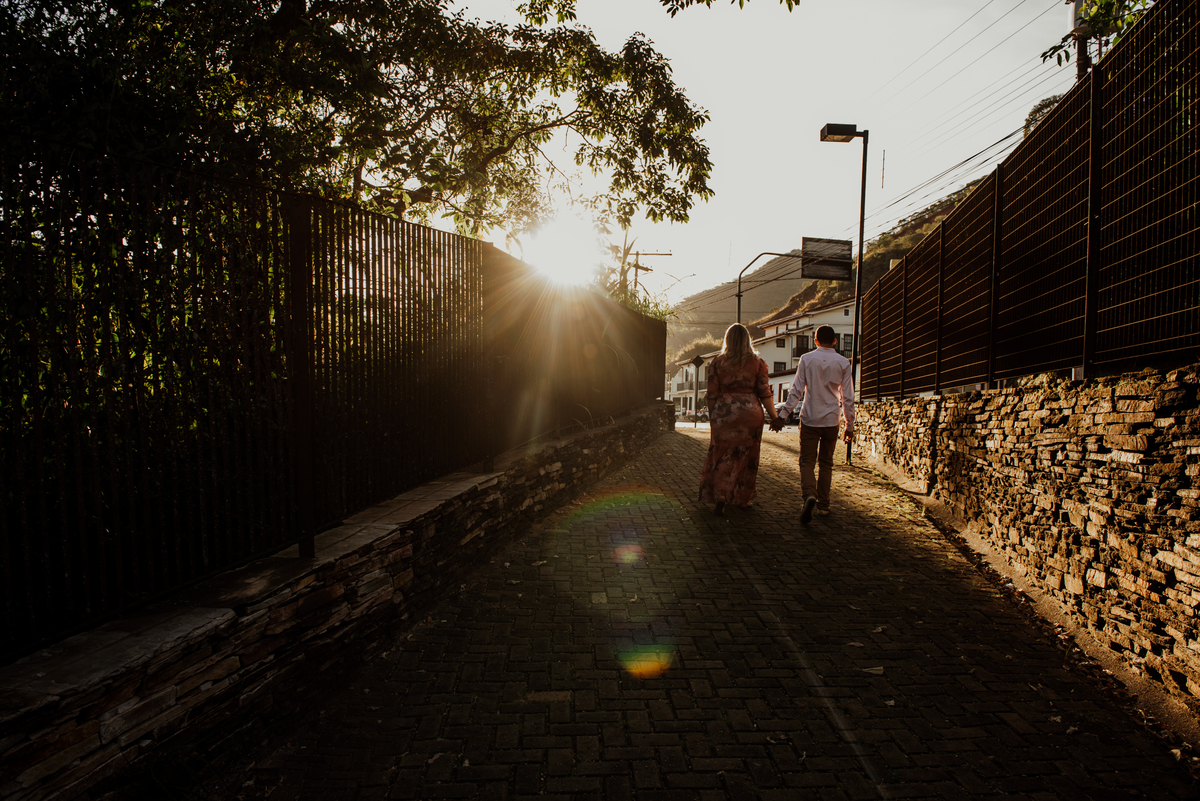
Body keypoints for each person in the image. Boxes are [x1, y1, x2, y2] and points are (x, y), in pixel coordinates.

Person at [770, 325, 855, 524]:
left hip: (810, 418)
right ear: (835, 341)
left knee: (807, 462)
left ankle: (809, 495)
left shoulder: (806, 359)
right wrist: (849, 425)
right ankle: (824, 506)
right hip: (831, 420)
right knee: (826, 463)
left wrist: (783, 415)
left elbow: (796, 390)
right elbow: (848, 397)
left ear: (815, 341)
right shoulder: (843, 362)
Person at [698, 324, 783, 515]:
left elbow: (711, 394)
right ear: (747, 340)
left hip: (725, 413)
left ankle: (721, 495)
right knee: (748, 456)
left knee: (722, 454)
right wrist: (774, 417)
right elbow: (764, 392)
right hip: (750, 414)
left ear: (727, 340)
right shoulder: (758, 363)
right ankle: (744, 499)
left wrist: (713, 417)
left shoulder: (717, 363)